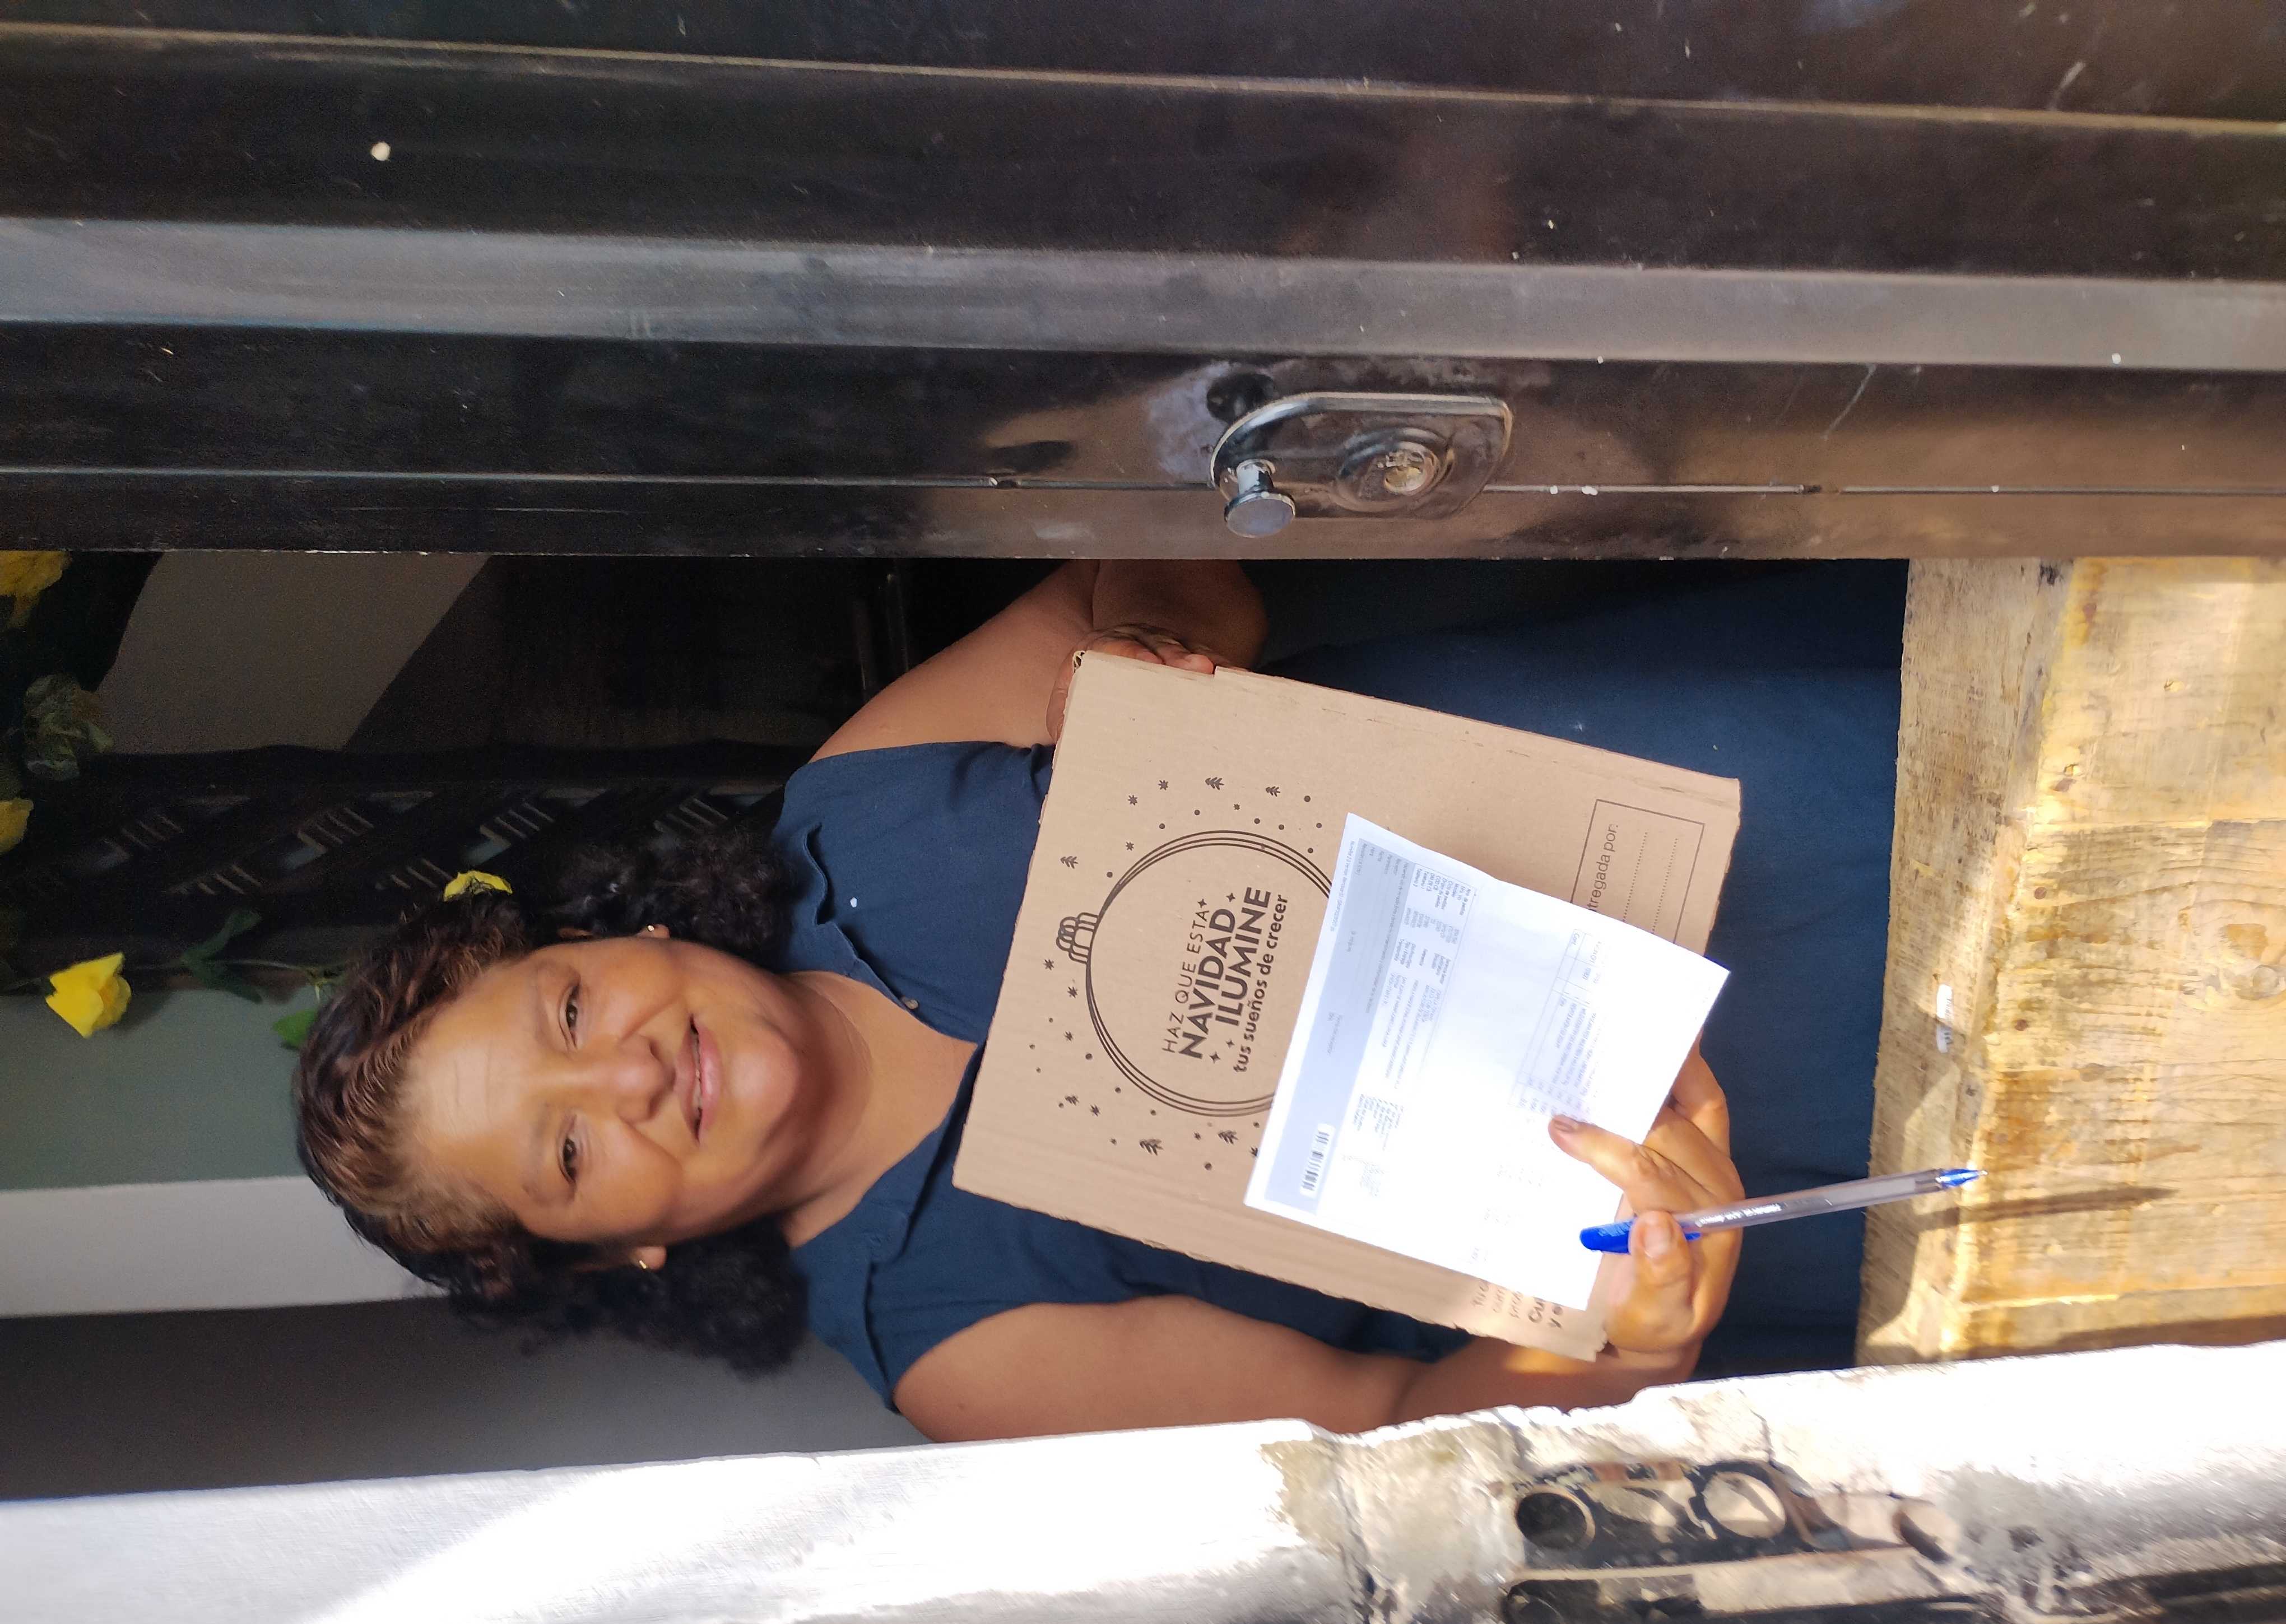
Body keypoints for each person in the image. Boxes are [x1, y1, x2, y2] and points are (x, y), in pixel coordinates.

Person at [295, 558, 1902, 1439]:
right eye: (570, 1153)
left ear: (615, 934)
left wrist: (1148, 641)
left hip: (1738, 762)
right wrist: (1625, 1349)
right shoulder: (954, 1343)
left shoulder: (854, 811)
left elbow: (1169, 578)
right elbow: (1399, 1416)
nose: (630, 1077)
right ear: (620, 1255)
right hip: (1790, 1106)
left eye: (569, 1014)